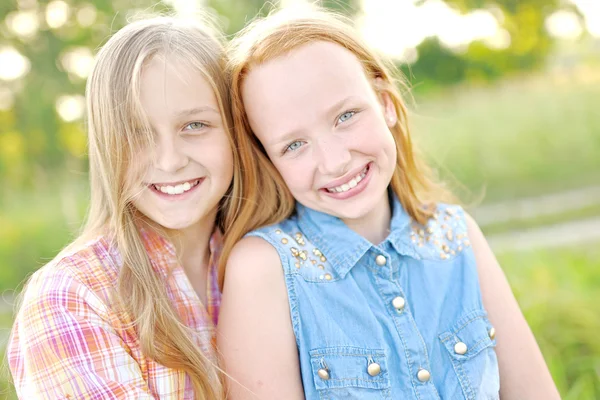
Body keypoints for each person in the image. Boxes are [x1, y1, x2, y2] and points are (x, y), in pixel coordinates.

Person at [217, 5, 560, 399]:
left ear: (387, 104)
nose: (335, 161)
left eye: (346, 116)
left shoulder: (455, 235)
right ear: (269, 159)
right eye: (294, 144)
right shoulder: (264, 268)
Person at [8, 15, 242, 399]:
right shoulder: (71, 297)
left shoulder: (272, 256)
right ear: (106, 146)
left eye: (195, 125)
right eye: (137, 133)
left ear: (235, 128)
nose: (169, 161)